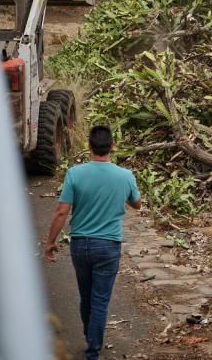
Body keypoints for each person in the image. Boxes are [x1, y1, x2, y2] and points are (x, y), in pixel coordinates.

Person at [45, 125, 141, 360]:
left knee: (86, 296)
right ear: (112, 146)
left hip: (80, 244)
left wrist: (50, 242)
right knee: (100, 301)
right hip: (108, 246)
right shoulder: (125, 176)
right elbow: (137, 204)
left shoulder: (74, 174)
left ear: (88, 147)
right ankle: (93, 351)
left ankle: (91, 336)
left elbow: (61, 212)